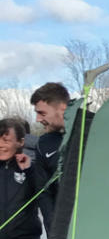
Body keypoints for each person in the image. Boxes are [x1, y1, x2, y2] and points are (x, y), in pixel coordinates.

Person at [30, 81, 70, 224]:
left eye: (42, 113)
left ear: (62, 108)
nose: (38, 119)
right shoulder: (43, 143)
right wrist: (54, 228)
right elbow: (43, 192)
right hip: (61, 232)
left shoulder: (90, 130)